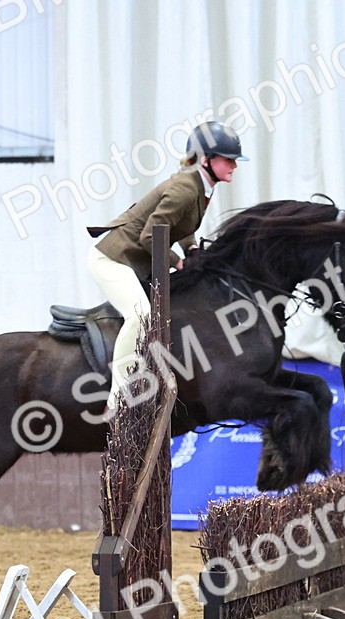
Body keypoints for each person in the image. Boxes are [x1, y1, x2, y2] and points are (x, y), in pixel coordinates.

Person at [86, 120, 248, 412]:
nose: (234, 165)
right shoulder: (186, 188)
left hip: (135, 261)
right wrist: (177, 261)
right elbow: (151, 235)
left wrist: (191, 247)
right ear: (206, 159)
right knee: (141, 316)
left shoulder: (200, 185)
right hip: (113, 260)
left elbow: (180, 225)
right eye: (228, 159)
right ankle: (119, 396)